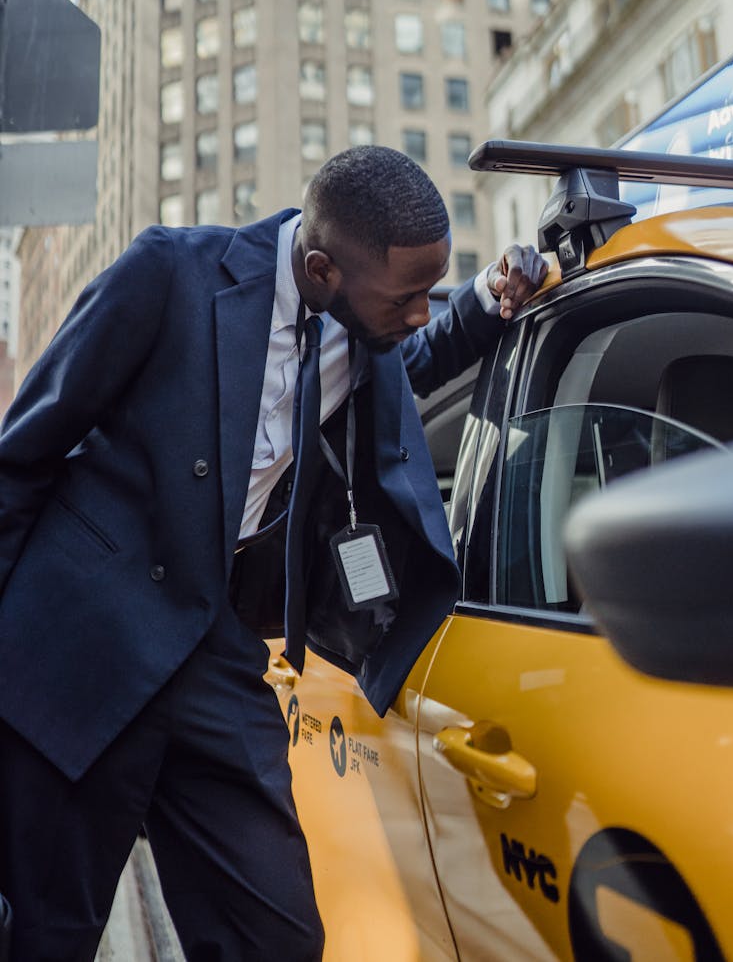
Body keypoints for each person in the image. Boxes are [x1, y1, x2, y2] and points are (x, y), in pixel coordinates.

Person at [0, 145, 548, 961]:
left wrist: (483, 295)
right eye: (405, 297)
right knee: (48, 934)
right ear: (322, 269)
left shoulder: (359, 328)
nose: (417, 314)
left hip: (214, 649)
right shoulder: (169, 273)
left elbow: (412, 364)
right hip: (87, 647)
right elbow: (25, 450)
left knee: (278, 934)